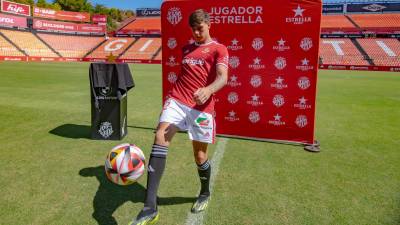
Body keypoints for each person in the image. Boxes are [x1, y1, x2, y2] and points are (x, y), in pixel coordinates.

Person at [130, 9, 229, 225]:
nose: (196, 32)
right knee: (160, 136)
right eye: (193, 29)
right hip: (177, 100)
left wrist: (209, 89)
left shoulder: (219, 49)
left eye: (200, 28)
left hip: (201, 108)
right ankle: (149, 207)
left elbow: (223, 77)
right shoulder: (186, 48)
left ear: (209, 25)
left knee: (200, 156)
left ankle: (204, 192)